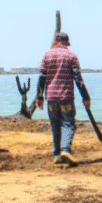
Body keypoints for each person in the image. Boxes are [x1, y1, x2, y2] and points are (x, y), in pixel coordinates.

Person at [35, 32, 90, 167]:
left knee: (55, 126)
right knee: (68, 124)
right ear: (67, 42)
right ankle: (65, 150)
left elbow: (41, 77)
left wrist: (39, 96)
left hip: (51, 97)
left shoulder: (46, 55)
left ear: (55, 41)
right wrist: (86, 97)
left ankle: (57, 154)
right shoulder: (71, 56)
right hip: (66, 96)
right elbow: (78, 79)